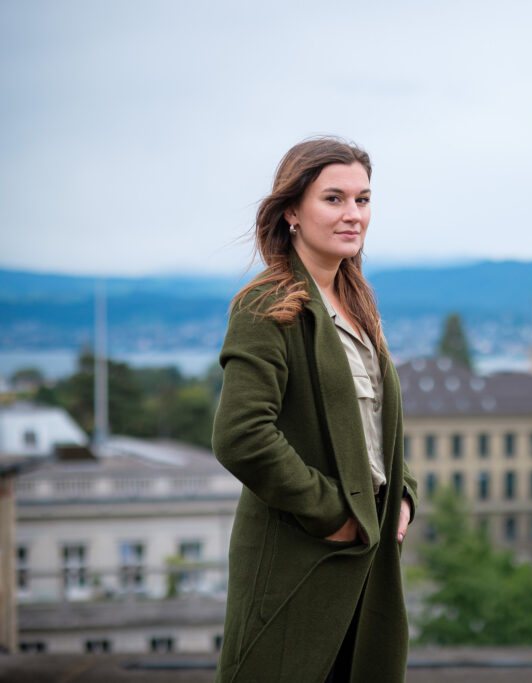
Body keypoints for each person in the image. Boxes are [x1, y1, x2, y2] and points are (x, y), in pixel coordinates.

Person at [212, 136, 418, 682]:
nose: (354, 214)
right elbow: (241, 436)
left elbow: (374, 427)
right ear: (292, 213)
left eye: (363, 199)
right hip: (299, 562)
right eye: (334, 199)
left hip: (366, 562)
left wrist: (401, 493)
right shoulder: (268, 303)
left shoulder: (355, 303)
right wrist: (333, 513)